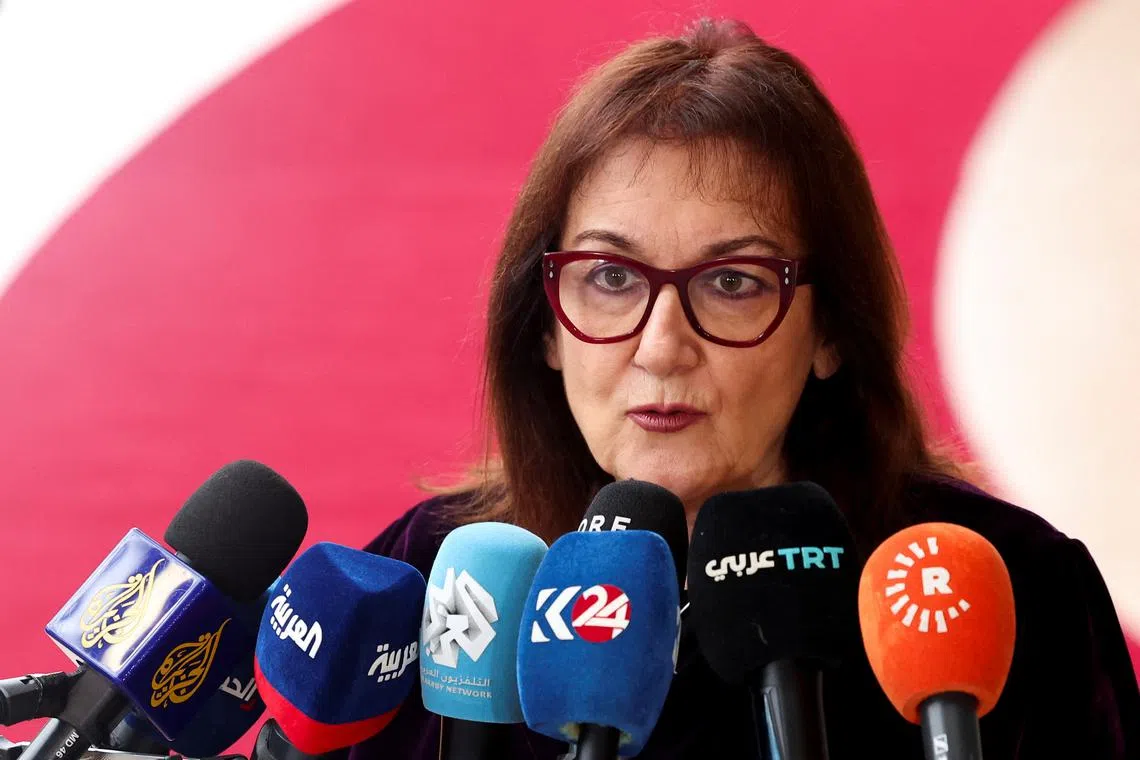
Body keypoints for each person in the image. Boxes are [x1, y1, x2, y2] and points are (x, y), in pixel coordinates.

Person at [348, 17, 1140, 759]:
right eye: (612, 277)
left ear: (830, 328)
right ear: (546, 325)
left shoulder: (1005, 583)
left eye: (732, 281)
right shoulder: (434, 580)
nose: (662, 347)